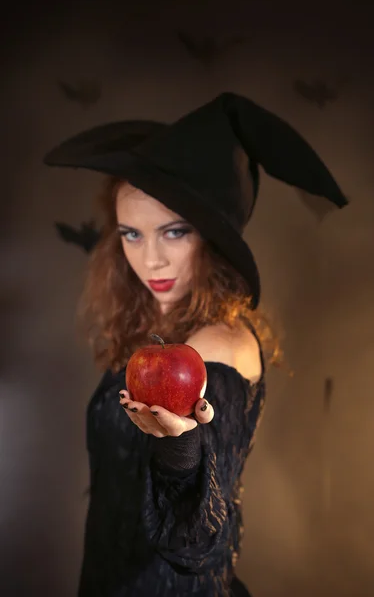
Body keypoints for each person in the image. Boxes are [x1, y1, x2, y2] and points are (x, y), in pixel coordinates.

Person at [44, 92, 347, 597]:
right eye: (131, 234)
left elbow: (197, 542)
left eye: (174, 231)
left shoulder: (217, 347)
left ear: (212, 236)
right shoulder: (157, 330)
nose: (152, 260)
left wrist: (181, 447)